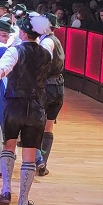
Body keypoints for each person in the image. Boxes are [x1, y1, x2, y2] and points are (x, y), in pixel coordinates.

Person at [0, 15, 52, 205]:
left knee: (9, 146)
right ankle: (23, 202)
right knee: (29, 155)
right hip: (36, 105)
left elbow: (1, 71)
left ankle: (5, 190)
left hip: (14, 104)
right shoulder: (46, 53)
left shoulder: (14, 51)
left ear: (23, 32)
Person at [36, 13, 65, 176]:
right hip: (58, 86)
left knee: (37, 125)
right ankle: (43, 163)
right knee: (48, 126)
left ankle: (38, 160)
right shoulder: (56, 41)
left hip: (47, 86)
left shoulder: (47, 42)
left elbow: (41, 61)